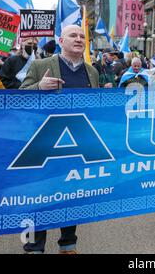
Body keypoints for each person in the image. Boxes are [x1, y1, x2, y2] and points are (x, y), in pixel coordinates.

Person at [20, 25, 99, 254]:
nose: (79, 39)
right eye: (73, 35)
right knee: (38, 198)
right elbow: (19, 97)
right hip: (45, 146)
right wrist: (38, 87)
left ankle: (68, 244)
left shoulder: (91, 71)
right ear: (61, 41)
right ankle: (34, 247)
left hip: (77, 147)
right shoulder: (40, 65)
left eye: (82, 36)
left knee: (71, 196)